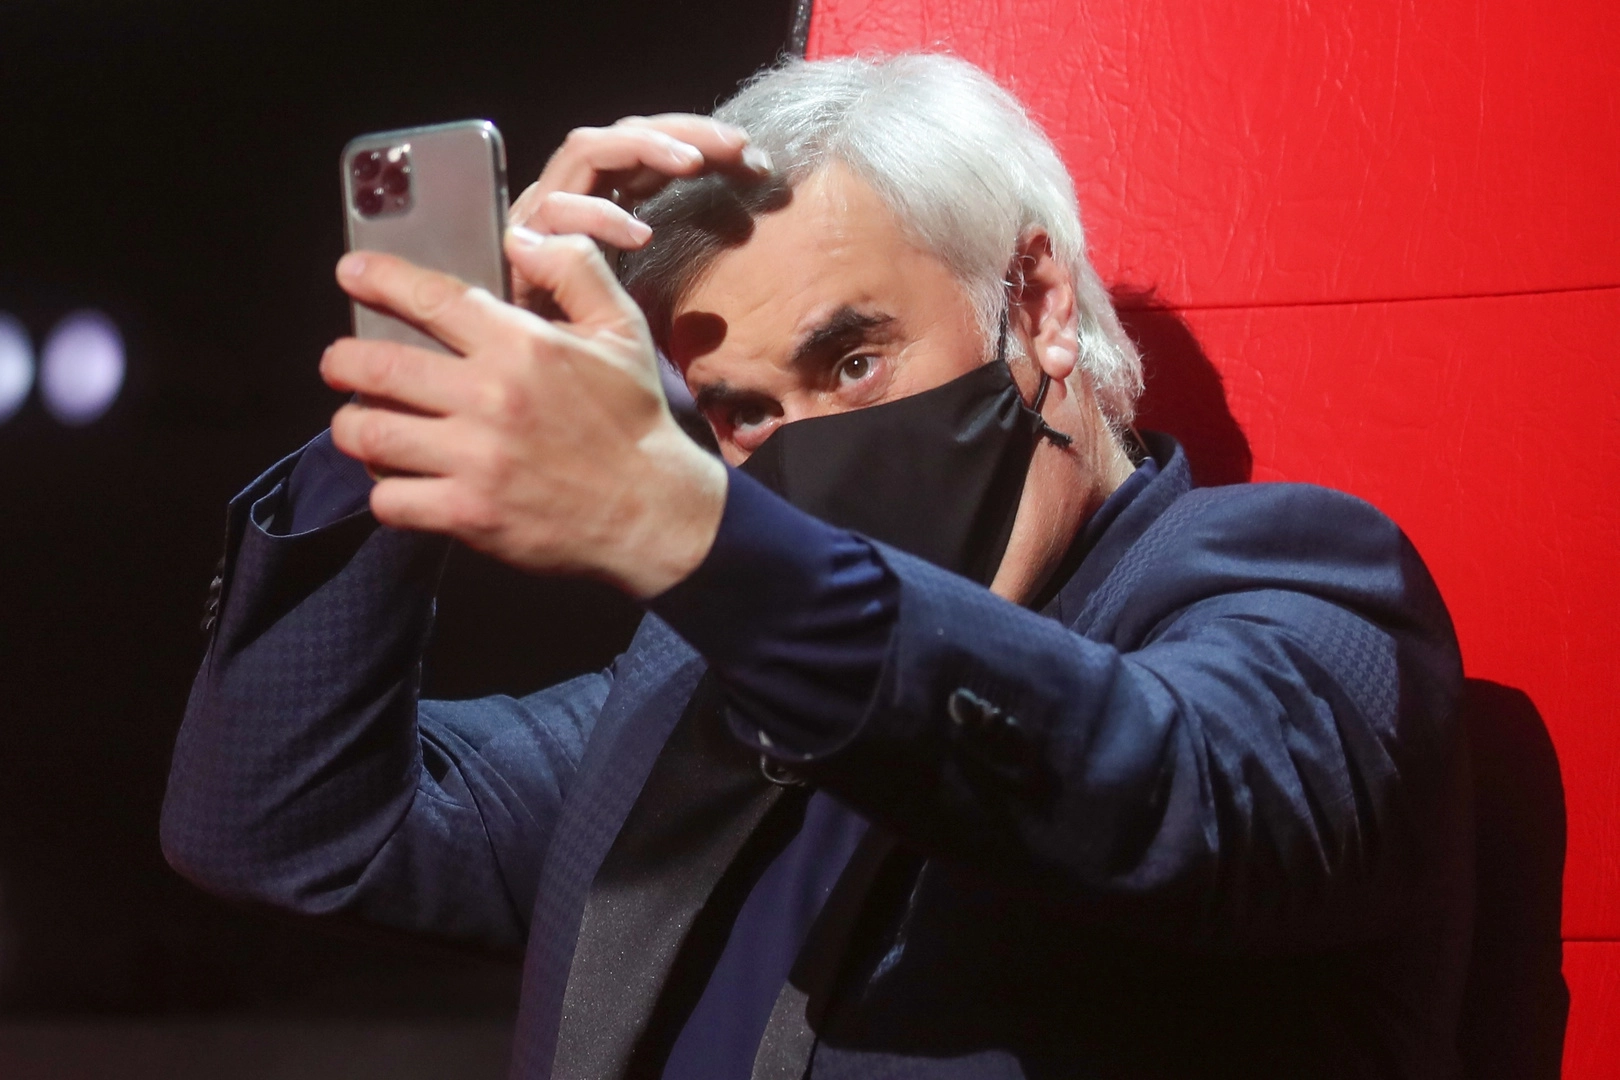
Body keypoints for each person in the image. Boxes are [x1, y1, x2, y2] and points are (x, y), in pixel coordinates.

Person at [161, 54, 1472, 1080]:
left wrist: (698, 539)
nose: (805, 449)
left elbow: (1180, 791)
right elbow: (283, 828)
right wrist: (422, 395)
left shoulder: (1290, 579)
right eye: (740, 413)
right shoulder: (686, 697)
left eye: (853, 362)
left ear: (1035, 304)